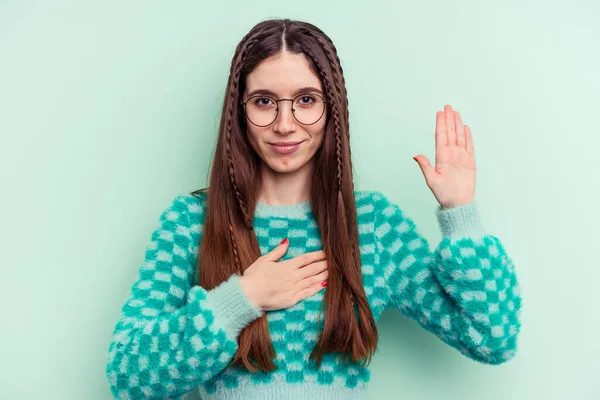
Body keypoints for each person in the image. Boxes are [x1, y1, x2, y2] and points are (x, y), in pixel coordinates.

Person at [105, 18, 523, 400]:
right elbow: (127, 375)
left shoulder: (371, 226)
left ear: (331, 110)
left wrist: (460, 214)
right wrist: (241, 299)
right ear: (240, 113)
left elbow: (493, 337)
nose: (285, 124)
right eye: (265, 102)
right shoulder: (190, 223)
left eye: (306, 100)